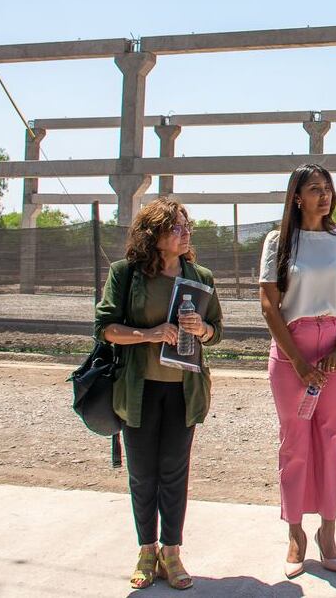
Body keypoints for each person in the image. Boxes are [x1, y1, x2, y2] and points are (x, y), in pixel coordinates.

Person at [94, 198, 223, 591]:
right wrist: (149, 335)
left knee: (173, 472)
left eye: (186, 228)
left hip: (183, 390)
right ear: (154, 235)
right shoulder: (126, 274)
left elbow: (217, 331)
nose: (185, 234)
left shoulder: (199, 276)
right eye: (176, 228)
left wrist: (201, 329)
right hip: (138, 389)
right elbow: (105, 328)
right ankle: (146, 551)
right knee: (142, 474)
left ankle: (172, 551)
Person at [259, 164, 336, 578]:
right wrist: (299, 363)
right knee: (294, 440)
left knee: (331, 436)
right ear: (296, 197)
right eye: (314, 189)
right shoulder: (278, 241)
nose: (324, 195)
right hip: (292, 350)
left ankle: (329, 531)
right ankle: (295, 532)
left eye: (328, 188)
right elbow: (269, 305)